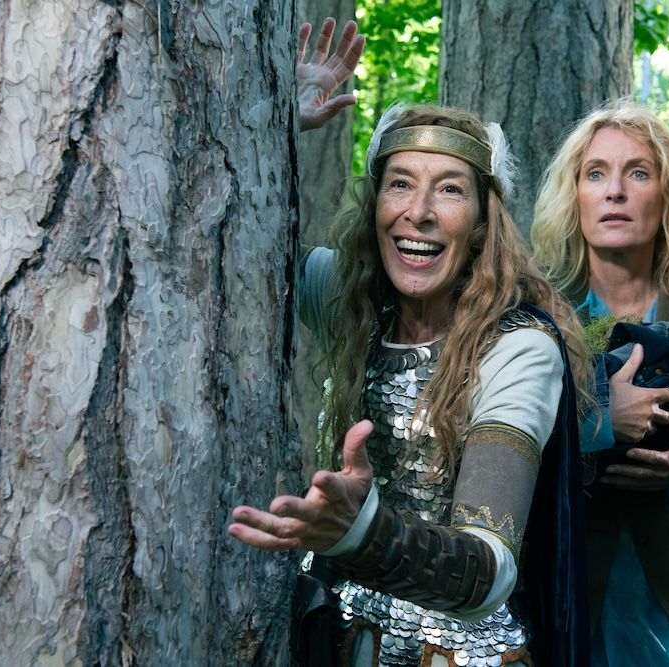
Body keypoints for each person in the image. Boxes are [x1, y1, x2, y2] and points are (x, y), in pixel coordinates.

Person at [229, 19, 590, 667]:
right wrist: (278, 123)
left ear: (482, 222)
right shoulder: (352, 298)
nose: (418, 210)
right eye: (400, 182)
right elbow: (229, 246)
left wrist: (361, 532)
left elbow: (488, 570)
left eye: (449, 189)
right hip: (338, 640)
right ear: (374, 205)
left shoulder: (517, 349)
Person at [531, 101, 669, 666]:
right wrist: (602, 417)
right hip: (568, 587)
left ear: (667, 193)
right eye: (595, 174)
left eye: (638, 173)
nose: (615, 192)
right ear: (574, 196)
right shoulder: (537, 317)